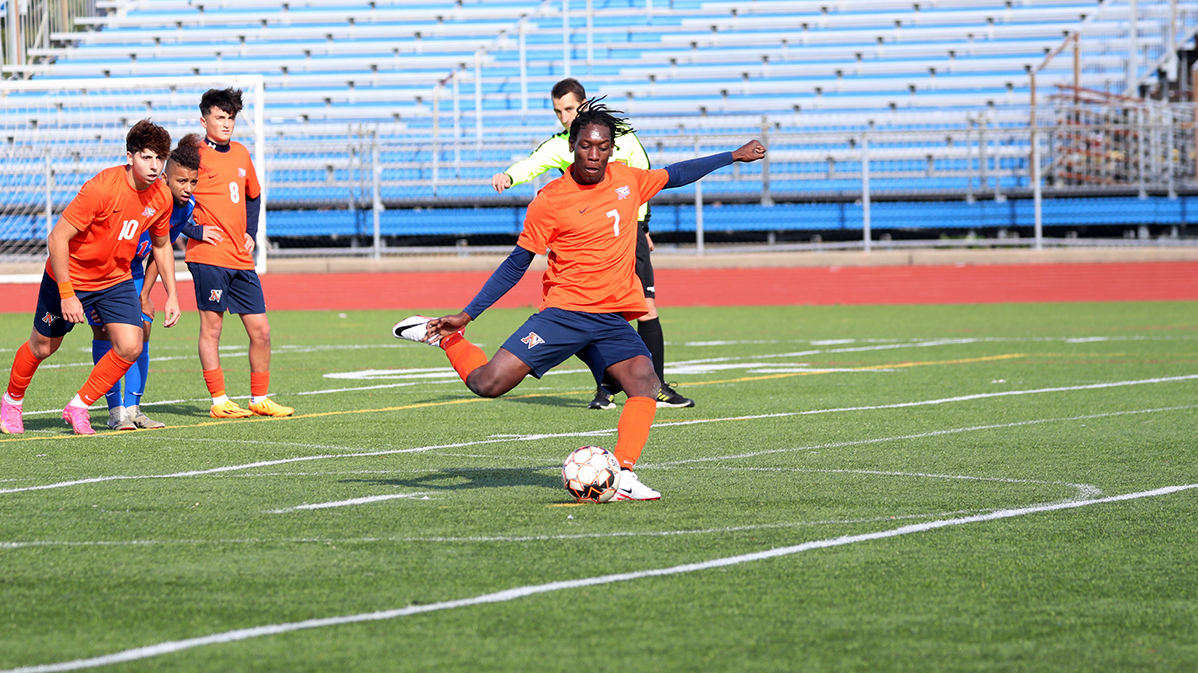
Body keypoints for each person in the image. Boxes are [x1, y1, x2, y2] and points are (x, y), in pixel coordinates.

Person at [396, 100, 766, 500]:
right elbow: (516, 264)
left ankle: (621, 475)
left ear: (612, 148)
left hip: (609, 317)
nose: (595, 155)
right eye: (587, 145)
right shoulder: (550, 200)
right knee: (487, 384)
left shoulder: (628, 179)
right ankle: (445, 339)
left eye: (603, 146)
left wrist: (733, 156)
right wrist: (466, 316)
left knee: (644, 382)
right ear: (572, 145)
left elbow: (677, 173)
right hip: (564, 315)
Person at [490, 78, 693, 411]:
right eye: (558, 112)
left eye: (569, 109)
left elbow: (643, 179)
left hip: (630, 232)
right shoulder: (562, 144)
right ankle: (608, 388)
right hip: (589, 237)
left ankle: (655, 386)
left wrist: (641, 227)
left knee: (645, 309)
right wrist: (509, 176)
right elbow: (532, 164)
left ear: (583, 104)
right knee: (599, 314)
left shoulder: (623, 139)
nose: (564, 117)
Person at [0, 120, 181, 436]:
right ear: (130, 156)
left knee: (130, 344)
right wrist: (68, 293)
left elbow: (162, 245)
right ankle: (11, 402)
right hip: (70, 277)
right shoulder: (101, 189)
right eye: (147, 157)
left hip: (115, 279)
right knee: (43, 347)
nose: (154, 166)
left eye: (159, 159)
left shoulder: (162, 197)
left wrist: (173, 295)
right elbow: (57, 239)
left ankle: (78, 406)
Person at [86, 133, 212, 430]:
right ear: (166, 178)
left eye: (193, 182)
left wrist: (148, 293)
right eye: (182, 181)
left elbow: (161, 248)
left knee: (142, 331)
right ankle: (115, 411)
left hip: (133, 271)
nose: (188, 188)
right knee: (105, 335)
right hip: (102, 272)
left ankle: (133, 408)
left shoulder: (185, 208)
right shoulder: (146, 198)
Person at [188, 87, 292, 419]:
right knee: (212, 329)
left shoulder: (242, 153)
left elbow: (253, 196)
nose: (227, 123)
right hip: (208, 257)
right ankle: (220, 402)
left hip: (240, 257)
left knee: (261, 330)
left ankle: (259, 398)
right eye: (220, 117)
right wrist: (195, 230)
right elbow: (169, 198)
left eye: (231, 118)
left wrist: (251, 233)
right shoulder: (193, 155)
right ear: (204, 120)